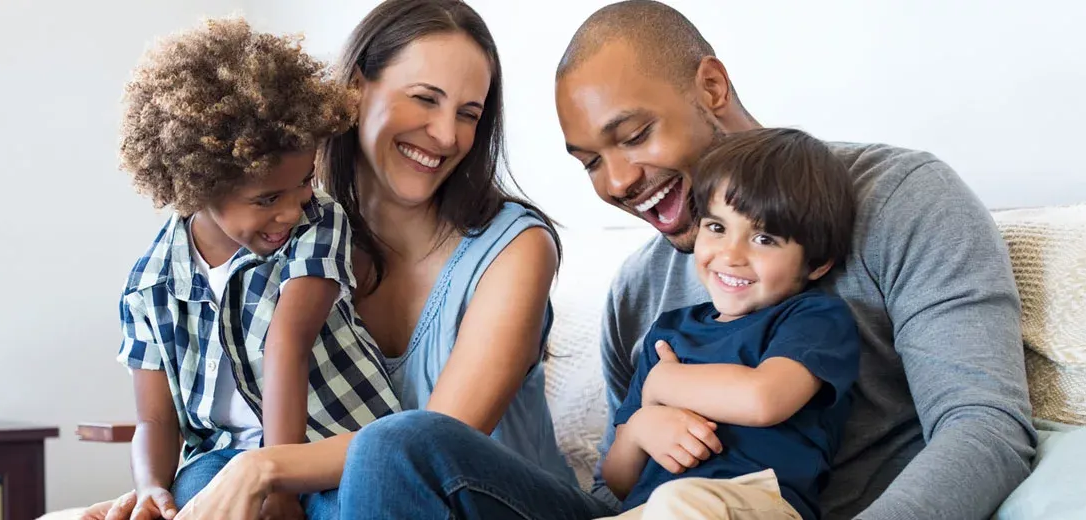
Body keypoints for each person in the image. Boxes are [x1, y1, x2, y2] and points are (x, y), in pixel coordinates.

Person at [340, 1, 1039, 519]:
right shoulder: (638, 291)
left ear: (710, 88)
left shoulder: (902, 199)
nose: (617, 182)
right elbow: (619, 483)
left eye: (633, 135)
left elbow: (985, 429)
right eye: (590, 162)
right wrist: (643, 427)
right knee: (397, 447)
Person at [168, 1, 570, 518]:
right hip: (357, 501)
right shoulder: (292, 231)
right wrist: (163, 487)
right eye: (425, 99)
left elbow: (432, 446)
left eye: (468, 114)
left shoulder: (516, 247)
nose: (447, 135)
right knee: (204, 477)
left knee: (389, 447)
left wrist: (263, 466)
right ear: (356, 88)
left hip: (503, 506)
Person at [90, 16, 403, 520]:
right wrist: (149, 488)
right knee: (192, 496)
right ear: (200, 186)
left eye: (304, 181)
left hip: (330, 443)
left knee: (353, 501)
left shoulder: (318, 223)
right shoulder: (150, 286)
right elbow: (154, 421)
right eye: (268, 198)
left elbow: (287, 345)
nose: (293, 209)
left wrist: (279, 487)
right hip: (224, 457)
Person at [596, 127, 863, 520]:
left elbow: (764, 400)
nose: (731, 255)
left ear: (817, 263)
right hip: (655, 508)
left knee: (677, 503)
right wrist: (639, 429)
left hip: (755, 501)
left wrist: (663, 385)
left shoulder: (813, 318)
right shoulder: (668, 334)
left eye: (765, 239)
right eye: (717, 227)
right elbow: (618, 482)